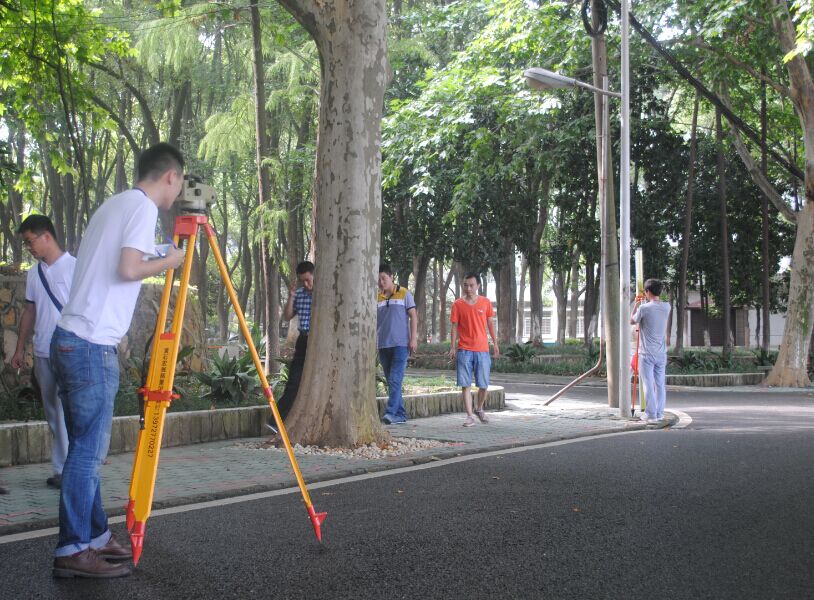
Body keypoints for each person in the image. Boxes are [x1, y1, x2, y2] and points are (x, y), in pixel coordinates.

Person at [50, 143, 186, 579]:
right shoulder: (143, 207)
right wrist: (172, 260)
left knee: (83, 449)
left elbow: (121, 260)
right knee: (88, 455)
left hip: (71, 338)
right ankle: (73, 549)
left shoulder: (115, 205)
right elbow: (128, 269)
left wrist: (156, 253)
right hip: (90, 344)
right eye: (180, 182)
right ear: (171, 176)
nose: (179, 191)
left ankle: (93, 536)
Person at [10, 215, 75, 490]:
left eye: (29, 241)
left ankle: (76, 468)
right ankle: (61, 469)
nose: (28, 248)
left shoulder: (76, 267)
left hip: (70, 350)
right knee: (53, 410)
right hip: (42, 351)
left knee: (72, 409)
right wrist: (19, 348)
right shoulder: (34, 273)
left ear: (46, 236)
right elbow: (29, 310)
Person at [449, 273, 499, 427]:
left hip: (482, 350)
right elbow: (454, 327)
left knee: (483, 384)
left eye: (471, 285)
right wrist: (452, 347)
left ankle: (479, 408)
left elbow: (490, 324)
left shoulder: (485, 302)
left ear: (478, 286)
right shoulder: (457, 304)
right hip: (464, 349)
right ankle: (470, 416)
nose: (468, 288)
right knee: (465, 384)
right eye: (465, 285)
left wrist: (495, 343)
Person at [376, 263, 417, 425]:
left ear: (391, 276)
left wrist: (413, 339)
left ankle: (390, 412)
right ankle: (400, 415)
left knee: (394, 379)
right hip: (383, 345)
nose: (381, 282)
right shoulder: (377, 297)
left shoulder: (404, 293)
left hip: (401, 344)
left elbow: (413, 316)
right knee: (392, 381)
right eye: (378, 279)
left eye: (383, 278)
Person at [274, 261, 314, 423]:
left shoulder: (325, 294)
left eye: (308, 280)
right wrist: (291, 297)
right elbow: (287, 316)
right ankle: (277, 421)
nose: (306, 284)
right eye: (302, 281)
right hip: (303, 340)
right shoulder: (299, 294)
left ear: (314, 276)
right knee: (294, 381)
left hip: (319, 343)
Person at [630, 278, 670, 424]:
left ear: (647, 292)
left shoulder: (644, 308)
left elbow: (632, 321)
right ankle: (659, 413)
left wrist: (636, 304)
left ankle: (651, 414)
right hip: (661, 353)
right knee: (660, 384)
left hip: (646, 354)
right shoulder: (667, 307)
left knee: (648, 384)